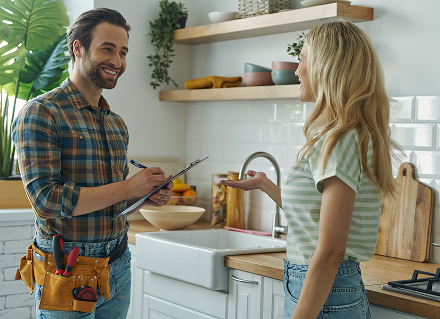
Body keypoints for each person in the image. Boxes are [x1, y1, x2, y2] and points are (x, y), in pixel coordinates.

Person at [221, 20, 402, 319]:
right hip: (324, 287)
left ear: (325, 66)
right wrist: (266, 185)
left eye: (302, 58)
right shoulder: (343, 135)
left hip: (326, 290)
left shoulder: (341, 140)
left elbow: (331, 252)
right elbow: (317, 218)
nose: (296, 70)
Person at [12, 8, 173, 318]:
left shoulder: (116, 124)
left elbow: (112, 205)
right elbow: (46, 201)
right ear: (78, 48)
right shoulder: (42, 112)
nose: (117, 61)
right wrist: (128, 186)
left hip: (118, 263)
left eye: (123, 52)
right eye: (107, 49)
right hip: (67, 269)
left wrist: (144, 196)